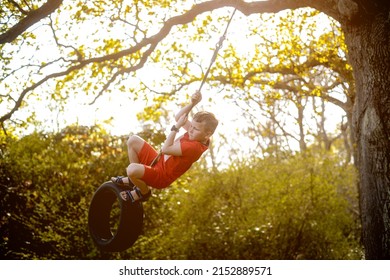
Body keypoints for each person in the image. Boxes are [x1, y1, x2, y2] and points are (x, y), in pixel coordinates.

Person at [111, 91, 218, 203]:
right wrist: (192, 104)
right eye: (192, 126)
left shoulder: (194, 148)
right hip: (158, 161)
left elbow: (165, 149)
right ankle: (134, 181)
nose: (190, 129)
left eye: (195, 129)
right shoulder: (196, 134)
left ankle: (143, 192)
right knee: (133, 140)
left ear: (207, 134)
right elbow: (178, 117)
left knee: (131, 169)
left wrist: (176, 127)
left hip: (160, 176)